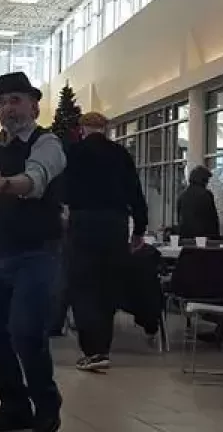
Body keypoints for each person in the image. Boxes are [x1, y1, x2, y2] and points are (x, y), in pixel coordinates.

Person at [0, 71, 68, 432]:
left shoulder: (47, 143)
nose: (8, 108)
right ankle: (13, 406)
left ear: (34, 105)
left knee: (26, 332)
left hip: (37, 253)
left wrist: (5, 184)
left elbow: (36, 180)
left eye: (16, 100)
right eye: (2, 102)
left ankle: (46, 404)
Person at [62, 111, 149, 372]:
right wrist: (139, 229)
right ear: (106, 128)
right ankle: (104, 348)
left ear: (82, 129)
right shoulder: (121, 154)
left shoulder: (73, 153)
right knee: (107, 286)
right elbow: (135, 192)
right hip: (116, 224)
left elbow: (62, 189)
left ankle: (92, 350)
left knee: (83, 285)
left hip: (83, 222)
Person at [176, 165, 220, 239]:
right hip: (203, 238)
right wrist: (216, 238)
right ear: (203, 180)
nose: (208, 182)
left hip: (186, 237)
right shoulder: (206, 194)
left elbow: (179, 218)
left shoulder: (182, 195)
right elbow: (212, 219)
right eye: (207, 180)